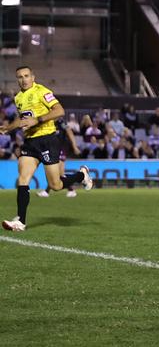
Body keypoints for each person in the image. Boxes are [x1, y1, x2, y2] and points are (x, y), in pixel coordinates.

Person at [0, 66, 93, 231]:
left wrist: (39, 119)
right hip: (30, 143)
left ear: (33, 77)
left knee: (56, 185)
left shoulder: (41, 91)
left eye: (26, 75)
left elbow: (60, 110)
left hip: (47, 140)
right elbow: (22, 119)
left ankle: (81, 175)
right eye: (20, 77)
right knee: (23, 179)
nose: (23, 79)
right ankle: (20, 221)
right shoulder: (19, 97)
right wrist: (7, 128)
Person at [37, 118, 82, 198]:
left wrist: (74, 147)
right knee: (58, 174)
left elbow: (70, 133)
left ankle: (48, 192)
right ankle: (70, 190)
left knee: (57, 172)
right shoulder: (46, 123)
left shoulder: (61, 123)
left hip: (61, 149)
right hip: (52, 149)